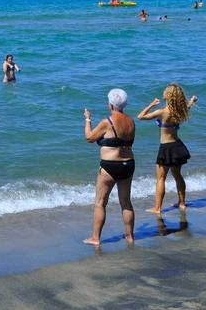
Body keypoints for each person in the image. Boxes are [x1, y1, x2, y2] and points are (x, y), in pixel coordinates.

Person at [83, 88, 136, 246]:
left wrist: (88, 119)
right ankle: (130, 237)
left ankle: (95, 238)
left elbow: (89, 138)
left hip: (110, 165)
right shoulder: (131, 121)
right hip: (128, 164)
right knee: (126, 202)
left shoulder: (108, 121)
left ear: (111, 105)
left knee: (100, 203)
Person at [137, 84, 198, 213]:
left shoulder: (162, 112)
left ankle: (157, 208)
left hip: (166, 148)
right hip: (177, 146)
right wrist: (192, 101)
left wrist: (152, 104)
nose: (163, 91)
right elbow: (188, 106)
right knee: (177, 175)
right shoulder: (179, 111)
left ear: (169, 95)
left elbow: (140, 116)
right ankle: (182, 203)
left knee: (161, 178)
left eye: (165, 90)